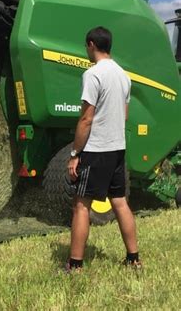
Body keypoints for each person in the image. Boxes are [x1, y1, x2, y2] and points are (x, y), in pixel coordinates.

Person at [66, 26, 140, 272]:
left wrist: (75, 154)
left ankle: (75, 265)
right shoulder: (123, 76)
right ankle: (133, 258)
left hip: (96, 150)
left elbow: (86, 119)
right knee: (120, 202)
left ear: (91, 45)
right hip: (118, 148)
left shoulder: (93, 74)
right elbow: (125, 115)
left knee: (81, 205)